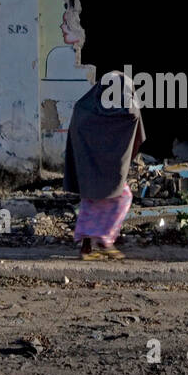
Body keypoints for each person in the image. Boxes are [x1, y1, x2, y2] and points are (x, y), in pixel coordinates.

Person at [63, 70, 146, 260]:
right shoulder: (124, 112)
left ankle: (88, 246)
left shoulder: (84, 108)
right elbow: (135, 120)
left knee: (90, 202)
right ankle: (104, 240)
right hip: (110, 172)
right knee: (123, 197)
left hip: (89, 171)